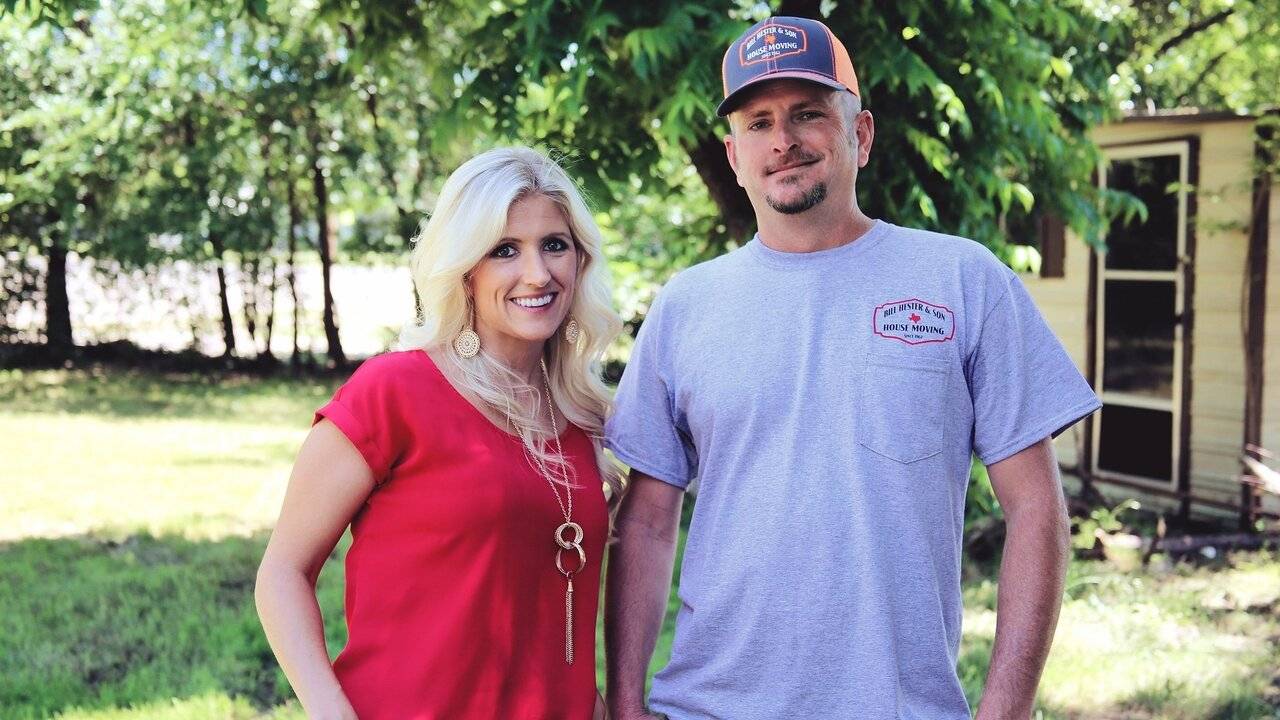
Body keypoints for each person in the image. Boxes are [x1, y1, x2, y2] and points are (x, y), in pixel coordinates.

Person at [604, 16, 1101, 720]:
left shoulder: (962, 280)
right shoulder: (686, 306)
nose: (783, 140)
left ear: (860, 135)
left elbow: (1035, 508)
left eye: (808, 113)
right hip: (707, 706)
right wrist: (626, 703)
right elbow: (649, 523)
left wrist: (1007, 708)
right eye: (758, 122)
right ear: (734, 154)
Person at [255, 146, 622, 720]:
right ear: (466, 270)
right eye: (505, 250)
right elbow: (282, 573)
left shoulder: (579, 418)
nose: (538, 273)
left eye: (555, 244)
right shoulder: (393, 391)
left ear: (580, 260)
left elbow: (545, 617)